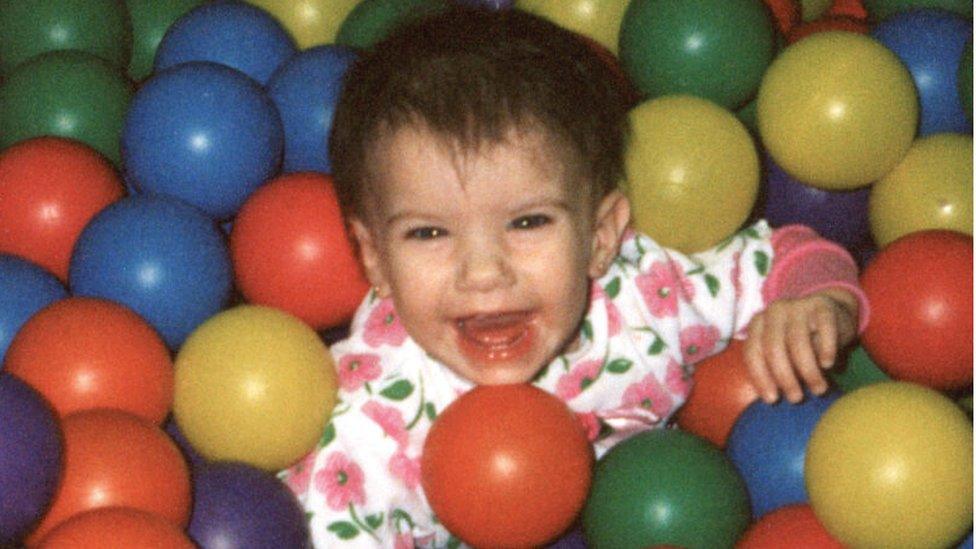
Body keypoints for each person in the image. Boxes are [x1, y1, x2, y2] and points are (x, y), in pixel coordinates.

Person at [280, 7, 868, 547]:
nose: (484, 273)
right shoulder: (376, 419)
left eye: (529, 221)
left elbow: (767, 261)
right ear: (374, 258)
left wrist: (818, 303)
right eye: (429, 233)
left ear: (602, 235)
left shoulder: (640, 299)